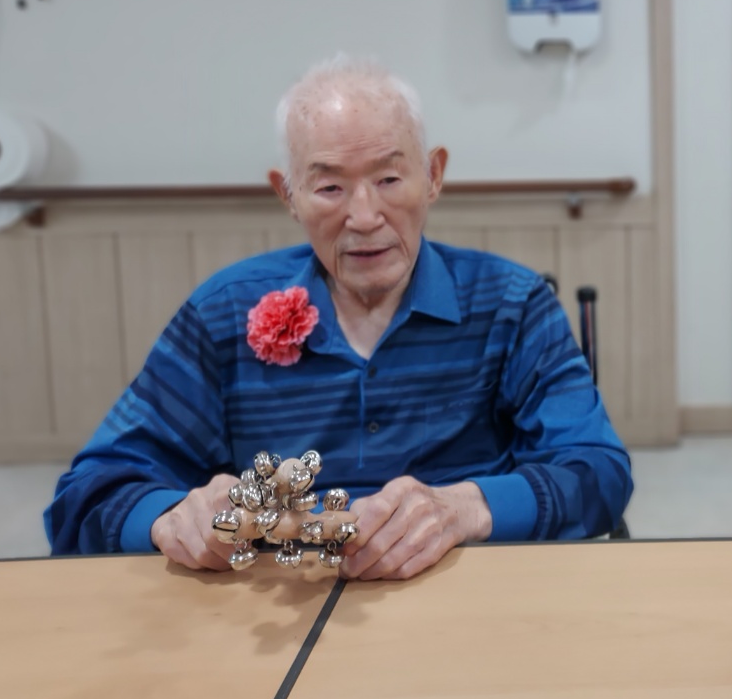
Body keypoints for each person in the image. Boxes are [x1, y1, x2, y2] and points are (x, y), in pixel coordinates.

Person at [46, 56, 632, 579]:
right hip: (270, 614)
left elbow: (599, 473)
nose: (364, 216)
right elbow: (85, 497)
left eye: (389, 179)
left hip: (464, 597)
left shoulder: (512, 303)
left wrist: (464, 508)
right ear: (288, 194)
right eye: (329, 187)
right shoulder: (223, 312)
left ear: (433, 176)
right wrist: (173, 517)